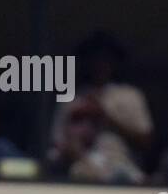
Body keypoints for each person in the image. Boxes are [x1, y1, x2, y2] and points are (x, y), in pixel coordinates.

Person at [49, 31, 154, 172]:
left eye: (105, 59)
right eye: (94, 58)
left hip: (122, 170)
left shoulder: (129, 95)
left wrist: (105, 117)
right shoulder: (70, 98)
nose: (99, 64)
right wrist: (72, 150)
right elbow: (57, 146)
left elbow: (146, 142)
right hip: (82, 171)